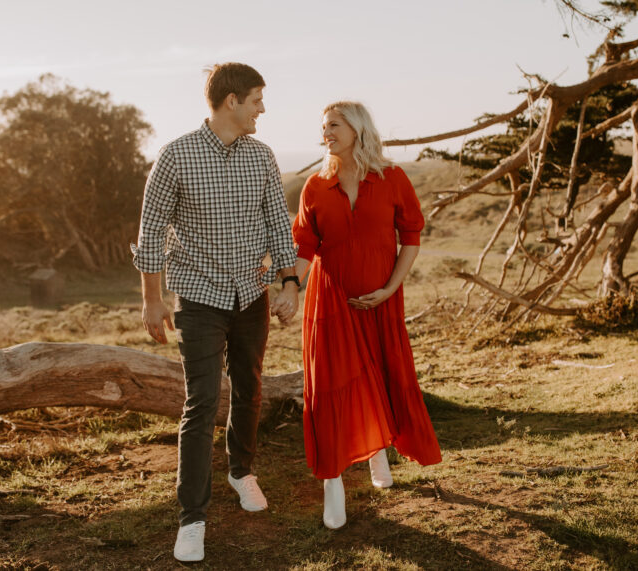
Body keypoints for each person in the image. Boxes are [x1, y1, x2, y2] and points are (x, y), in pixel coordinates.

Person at [132, 62, 299, 563]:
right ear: (232, 101)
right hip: (199, 299)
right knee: (201, 402)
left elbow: (276, 220)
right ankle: (192, 518)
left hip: (251, 296)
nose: (261, 109)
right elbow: (152, 229)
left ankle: (241, 471)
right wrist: (151, 298)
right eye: (256, 100)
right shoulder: (177, 156)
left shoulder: (262, 156)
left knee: (249, 388)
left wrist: (289, 282)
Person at [290, 101, 442, 529]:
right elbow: (305, 247)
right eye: (323, 127)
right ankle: (332, 481)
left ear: (357, 128)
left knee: (379, 376)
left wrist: (390, 289)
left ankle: (378, 454)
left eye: (333, 125)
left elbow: (410, 236)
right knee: (330, 388)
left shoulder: (391, 178)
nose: (326, 133)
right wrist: (289, 287)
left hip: (383, 299)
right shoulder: (316, 187)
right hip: (331, 302)